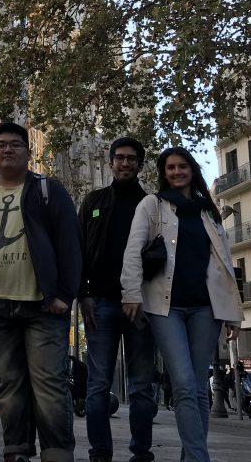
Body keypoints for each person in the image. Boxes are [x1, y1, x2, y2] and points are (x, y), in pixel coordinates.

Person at [0, 122, 82, 462]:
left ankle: (57, 453)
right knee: (9, 387)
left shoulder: (48, 190)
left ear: (29, 152)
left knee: (50, 386)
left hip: (43, 308)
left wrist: (64, 295)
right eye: (1, 144)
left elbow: (70, 246)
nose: (7, 150)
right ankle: (17, 451)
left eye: (15, 144)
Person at [120, 146, 243, 462]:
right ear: (163, 172)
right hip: (166, 307)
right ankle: (201, 459)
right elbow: (133, 250)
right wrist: (131, 293)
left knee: (198, 388)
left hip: (206, 307)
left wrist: (233, 311)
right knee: (186, 383)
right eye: (170, 167)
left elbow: (224, 263)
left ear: (192, 170)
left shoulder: (208, 211)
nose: (176, 172)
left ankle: (192, 457)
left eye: (182, 166)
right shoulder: (153, 205)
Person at [78, 136, 156, 462]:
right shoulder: (94, 200)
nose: (125, 163)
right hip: (102, 303)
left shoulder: (153, 205)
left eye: (131, 159)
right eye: (120, 158)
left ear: (140, 164)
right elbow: (79, 250)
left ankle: (141, 453)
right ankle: (100, 454)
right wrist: (82, 295)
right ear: (109, 162)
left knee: (141, 388)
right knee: (97, 387)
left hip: (142, 306)